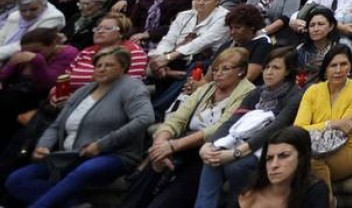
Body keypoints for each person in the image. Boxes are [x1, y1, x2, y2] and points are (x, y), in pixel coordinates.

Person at [4, 47, 154, 208]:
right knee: (17, 180)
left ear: (124, 67)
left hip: (115, 154)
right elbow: (56, 125)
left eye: (109, 65)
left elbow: (145, 118)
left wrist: (101, 144)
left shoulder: (132, 87)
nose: (102, 68)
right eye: (98, 65)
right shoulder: (83, 90)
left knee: (86, 169)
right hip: (71, 155)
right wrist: (43, 146)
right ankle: (73, 204)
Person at [135, 47, 256, 208]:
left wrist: (172, 146)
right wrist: (161, 144)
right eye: (215, 69)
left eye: (225, 69)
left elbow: (220, 128)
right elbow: (178, 118)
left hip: (211, 151)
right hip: (184, 144)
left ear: (241, 71)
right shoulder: (207, 88)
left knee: (166, 200)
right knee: (152, 166)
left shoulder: (249, 92)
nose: (218, 74)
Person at [194, 47, 304, 208]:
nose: (268, 72)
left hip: (270, 146)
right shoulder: (257, 93)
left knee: (237, 167)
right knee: (212, 158)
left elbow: (275, 128)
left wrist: (236, 153)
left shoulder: (294, 96)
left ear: (288, 71)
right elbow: (231, 121)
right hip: (242, 142)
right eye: (266, 67)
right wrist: (209, 144)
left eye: (276, 68)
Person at [293, 45, 352, 192]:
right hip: (314, 147)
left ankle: (327, 201)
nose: (338, 70)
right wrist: (331, 123)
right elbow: (298, 129)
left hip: (349, 148)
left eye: (344, 64)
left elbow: (347, 127)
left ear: (350, 67)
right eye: (333, 65)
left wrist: (316, 127)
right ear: (325, 69)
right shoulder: (313, 91)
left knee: (312, 163)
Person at [0, 28, 76, 142]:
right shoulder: (23, 53)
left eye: (37, 51)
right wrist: (12, 63)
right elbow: (3, 76)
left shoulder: (68, 54)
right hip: (18, 92)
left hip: (43, 98)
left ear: (53, 45)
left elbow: (48, 84)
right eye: (26, 51)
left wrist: (37, 60)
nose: (30, 54)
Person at [237, 126, 331, 208]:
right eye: (269, 158)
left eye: (284, 156)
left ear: (301, 157)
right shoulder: (251, 193)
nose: (274, 165)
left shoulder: (315, 191)